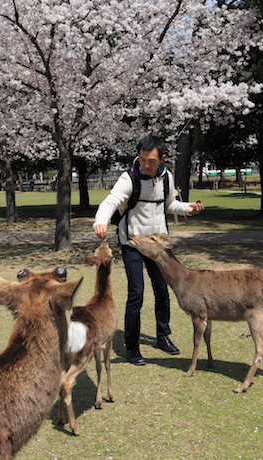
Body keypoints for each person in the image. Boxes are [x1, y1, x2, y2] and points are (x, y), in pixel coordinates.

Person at [93, 135, 205, 366]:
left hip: (159, 246)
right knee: (136, 294)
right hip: (133, 243)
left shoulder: (166, 177)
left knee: (163, 292)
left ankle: (163, 336)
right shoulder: (129, 178)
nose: (145, 164)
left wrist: (189, 208)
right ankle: (132, 347)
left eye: (151, 161)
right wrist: (100, 221)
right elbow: (111, 201)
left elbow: (170, 205)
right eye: (143, 159)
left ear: (162, 159)